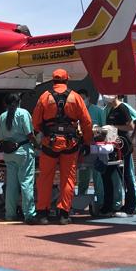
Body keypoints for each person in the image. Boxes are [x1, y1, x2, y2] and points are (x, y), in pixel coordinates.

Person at [32, 69, 93, 225]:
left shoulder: (44, 97)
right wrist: (87, 142)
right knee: (68, 179)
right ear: (67, 80)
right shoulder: (76, 97)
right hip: (70, 144)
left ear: (53, 81)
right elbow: (87, 122)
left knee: (45, 178)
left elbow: (36, 123)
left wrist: (45, 131)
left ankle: (42, 214)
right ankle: (64, 214)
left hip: (49, 144)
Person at [0, 93, 37, 223]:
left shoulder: (2, 116)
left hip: (9, 154)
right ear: (19, 102)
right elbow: (30, 134)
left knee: (11, 185)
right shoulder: (23, 113)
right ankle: (29, 214)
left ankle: (10, 214)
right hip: (23, 152)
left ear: (5, 103)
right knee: (26, 183)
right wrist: (38, 144)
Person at [106, 95, 136, 215]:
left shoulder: (122, 108)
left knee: (127, 175)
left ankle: (132, 206)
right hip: (114, 146)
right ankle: (114, 204)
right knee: (115, 175)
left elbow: (131, 125)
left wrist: (115, 128)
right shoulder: (111, 110)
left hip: (124, 146)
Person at [75, 88, 106, 212]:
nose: (82, 101)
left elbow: (104, 130)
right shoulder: (76, 112)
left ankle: (101, 202)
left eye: (83, 98)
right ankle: (80, 203)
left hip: (96, 149)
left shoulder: (98, 111)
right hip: (82, 150)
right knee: (83, 177)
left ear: (88, 98)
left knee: (98, 176)